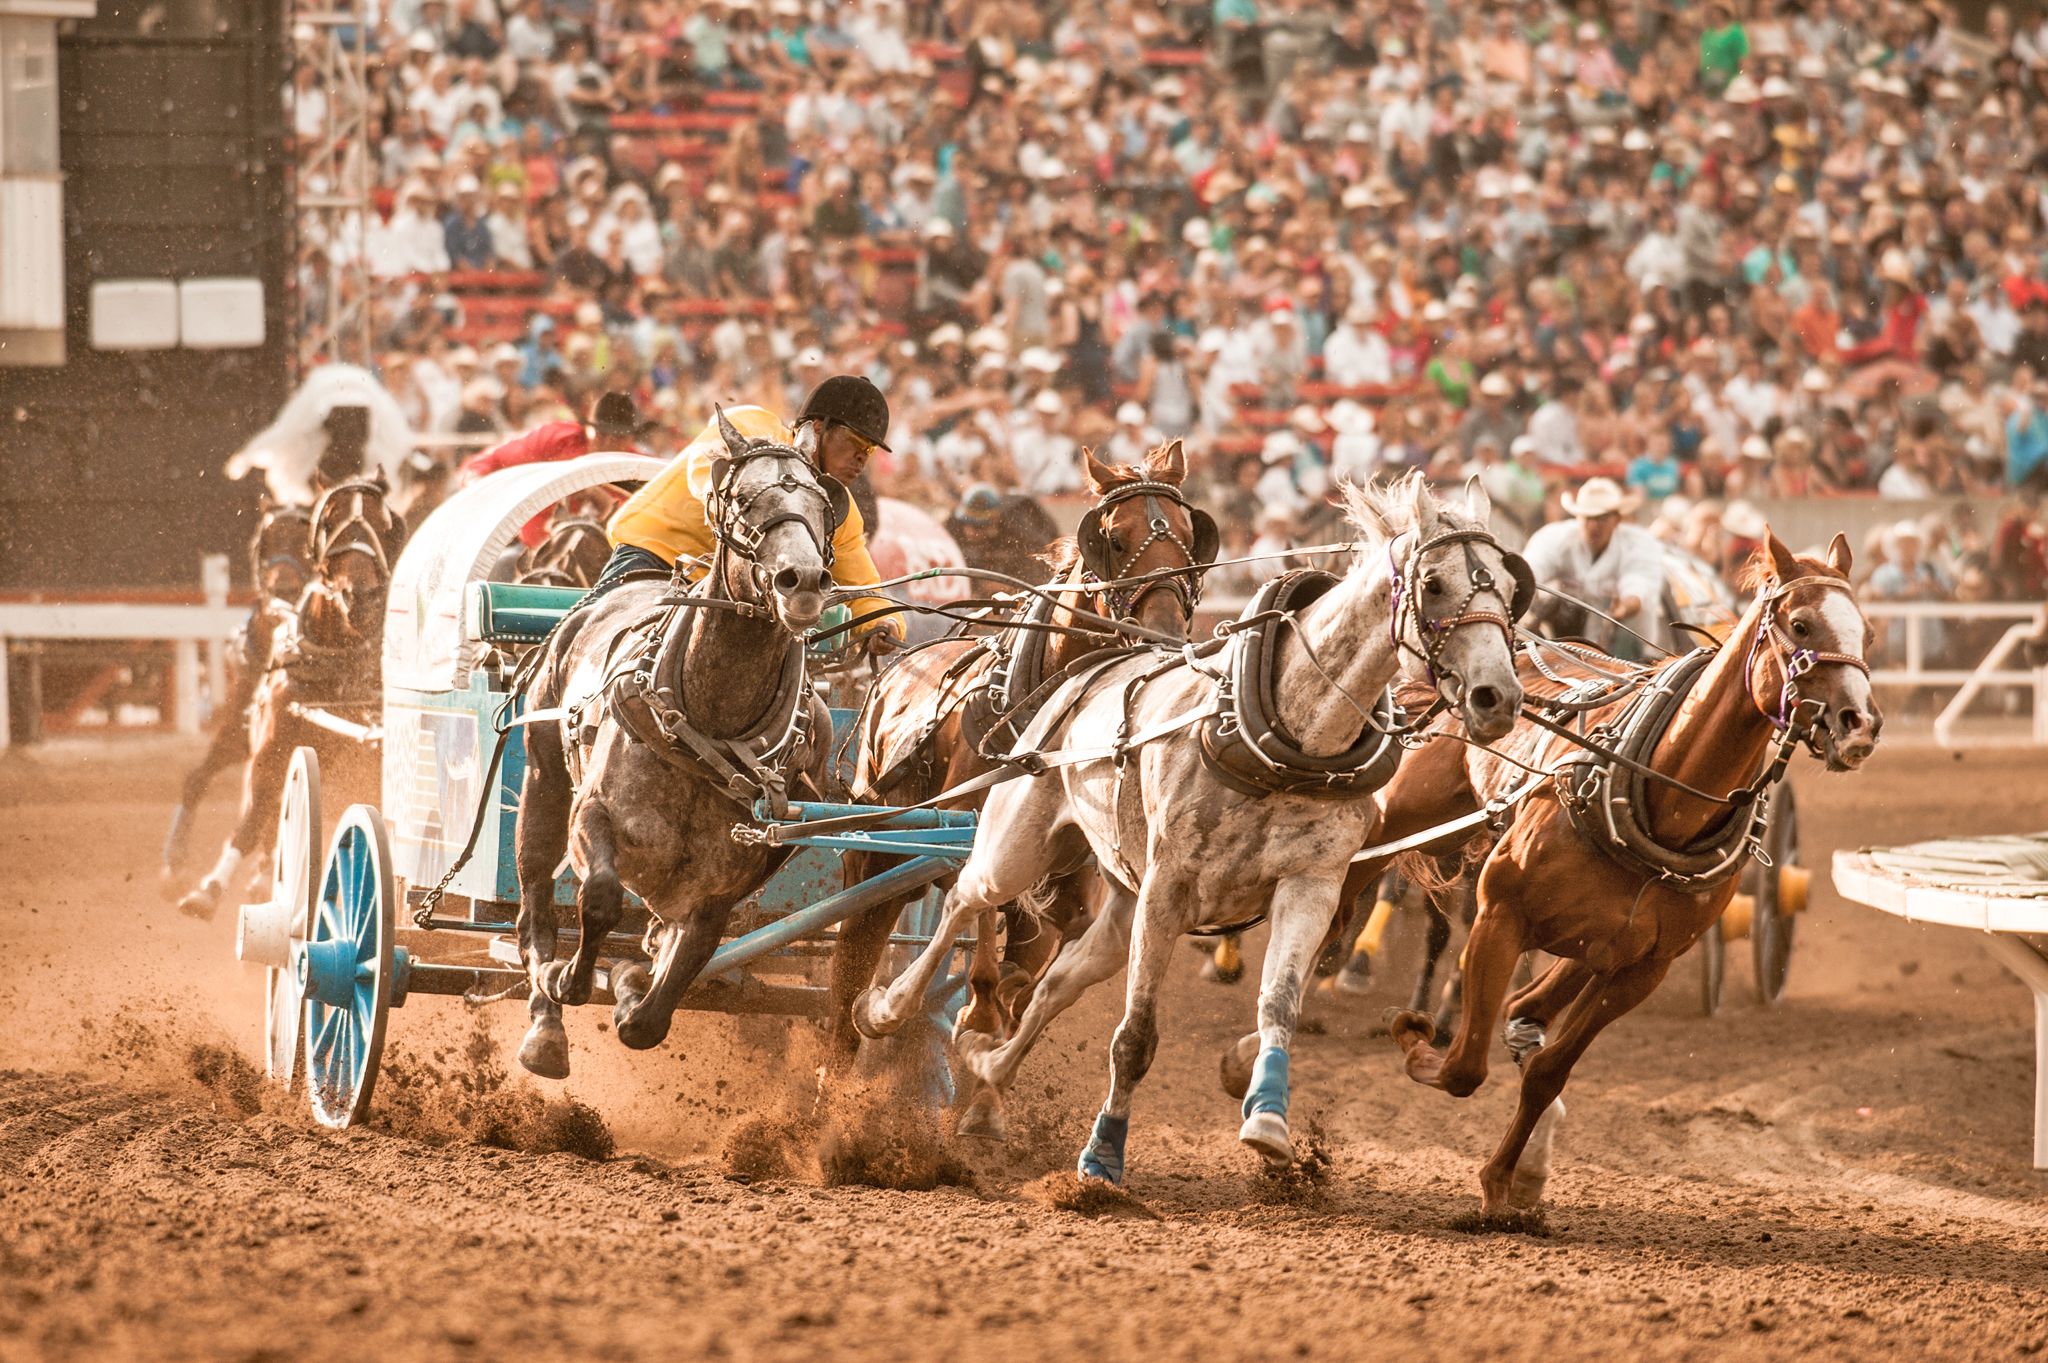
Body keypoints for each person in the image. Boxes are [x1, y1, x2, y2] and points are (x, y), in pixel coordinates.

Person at [599, 376, 904, 652]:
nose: (862, 458)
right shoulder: (753, 427)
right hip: (650, 558)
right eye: (855, 442)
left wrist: (884, 622)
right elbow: (706, 471)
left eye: (871, 450)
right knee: (598, 650)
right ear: (818, 429)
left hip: (725, 600)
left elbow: (863, 588)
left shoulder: (838, 508)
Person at [1519, 476, 1667, 657]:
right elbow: (1531, 568)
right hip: (1571, 640)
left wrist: (1626, 605)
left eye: (1602, 518)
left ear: (1617, 519)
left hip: (1628, 642)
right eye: (1588, 517)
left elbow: (1639, 583)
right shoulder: (1554, 538)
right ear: (1577, 516)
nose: (1593, 525)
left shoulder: (1640, 543)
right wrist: (1524, 586)